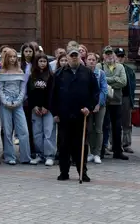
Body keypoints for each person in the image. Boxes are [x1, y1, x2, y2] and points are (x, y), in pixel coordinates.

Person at [52, 46, 99, 182]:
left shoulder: (87, 73)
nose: (74, 58)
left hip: (81, 115)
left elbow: (94, 93)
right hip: (64, 115)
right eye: (71, 56)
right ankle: (64, 171)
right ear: (67, 57)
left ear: (79, 57)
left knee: (81, 145)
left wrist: (89, 108)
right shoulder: (59, 74)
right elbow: (53, 95)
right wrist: (55, 113)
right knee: (63, 145)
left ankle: (82, 172)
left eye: (76, 56)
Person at [0, 47, 31, 165]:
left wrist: (18, 101)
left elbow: (23, 89)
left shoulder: (20, 71)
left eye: (14, 57)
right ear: (6, 58)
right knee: (7, 131)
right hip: (5, 103)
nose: (12, 59)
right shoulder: (2, 72)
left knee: (24, 130)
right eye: (10, 57)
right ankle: (9, 156)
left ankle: (25, 156)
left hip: (18, 103)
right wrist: (5, 102)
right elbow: (0, 90)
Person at [101, 47, 129, 160]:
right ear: (103, 56)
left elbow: (123, 82)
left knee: (117, 127)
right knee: (103, 126)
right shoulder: (100, 66)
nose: (109, 57)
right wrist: (114, 79)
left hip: (117, 101)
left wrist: (107, 81)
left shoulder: (120, 67)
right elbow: (99, 80)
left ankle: (117, 150)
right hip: (104, 101)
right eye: (107, 55)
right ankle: (101, 149)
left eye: (111, 54)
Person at [27, 54, 55, 166]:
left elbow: (51, 93)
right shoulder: (32, 76)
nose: (42, 63)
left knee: (48, 133)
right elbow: (30, 93)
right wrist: (34, 106)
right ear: (36, 63)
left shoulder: (51, 76)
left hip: (48, 109)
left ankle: (49, 155)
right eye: (40, 61)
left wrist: (46, 106)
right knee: (37, 133)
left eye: (44, 61)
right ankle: (40, 154)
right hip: (36, 109)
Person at [83, 52, 108, 163]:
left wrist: (98, 103)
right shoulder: (83, 73)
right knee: (89, 129)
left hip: (99, 105)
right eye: (89, 59)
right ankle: (90, 152)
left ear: (96, 62)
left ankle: (97, 153)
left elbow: (104, 90)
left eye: (93, 60)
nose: (91, 61)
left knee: (98, 129)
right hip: (87, 106)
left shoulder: (100, 73)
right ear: (86, 61)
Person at [117, 48, 135, 154]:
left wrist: (131, 102)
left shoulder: (129, 70)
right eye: (118, 56)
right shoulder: (111, 68)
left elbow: (132, 87)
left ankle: (126, 143)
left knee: (126, 122)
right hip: (113, 97)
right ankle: (114, 143)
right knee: (113, 122)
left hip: (126, 97)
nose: (120, 58)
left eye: (122, 56)